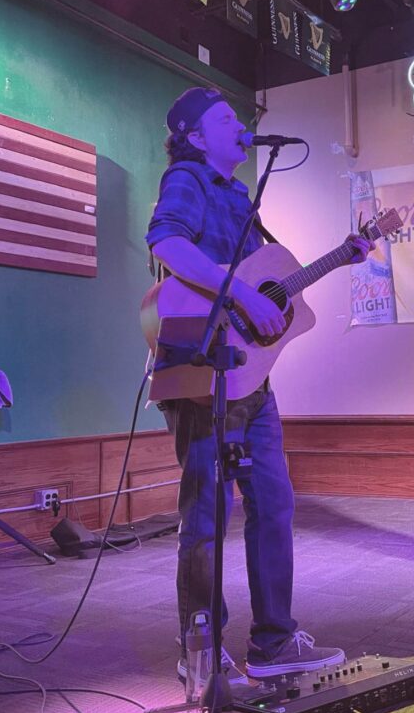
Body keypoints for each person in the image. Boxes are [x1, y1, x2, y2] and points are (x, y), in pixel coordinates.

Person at [145, 87, 371, 679]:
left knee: (273, 504)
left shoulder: (241, 197)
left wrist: (343, 256)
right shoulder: (188, 178)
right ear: (196, 136)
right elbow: (166, 242)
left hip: (250, 379)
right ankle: (200, 650)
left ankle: (274, 643)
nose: (240, 123)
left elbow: (264, 285)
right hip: (200, 370)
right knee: (207, 517)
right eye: (225, 118)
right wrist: (244, 295)